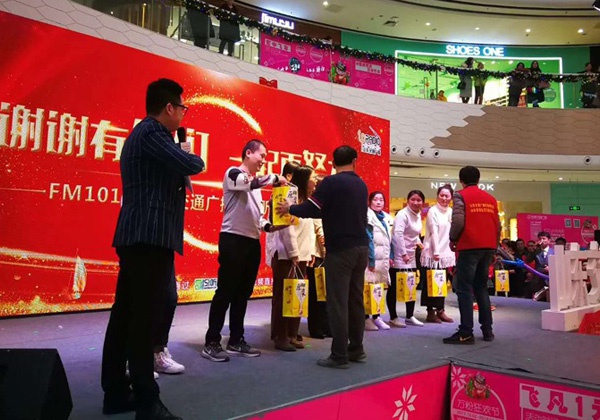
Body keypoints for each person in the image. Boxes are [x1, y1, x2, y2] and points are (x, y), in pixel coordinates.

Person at [101, 78, 205, 420]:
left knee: (126, 315)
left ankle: (117, 392)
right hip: (148, 236)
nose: (183, 114)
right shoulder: (152, 133)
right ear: (169, 107)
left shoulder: (148, 134)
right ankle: (148, 401)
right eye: (182, 107)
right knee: (143, 319)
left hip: (141, 236)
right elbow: (194, 165)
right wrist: (187, 154)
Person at [276, 145, 369, 369]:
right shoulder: (361, 184)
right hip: (361, 248)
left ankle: (339, 354)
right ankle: (356, 349)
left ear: (333, 163)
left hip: (340, 250)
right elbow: (323, 210)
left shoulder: (331, 183)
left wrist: (290, 208)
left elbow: (311, 208)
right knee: (355, 301)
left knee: (337, 302)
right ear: (355, 161)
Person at [202, 140, 285, 362]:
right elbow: (248, 184)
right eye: (262, 155)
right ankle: (211, 342)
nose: (264, 160)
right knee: (225, 292)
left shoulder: (255, 187)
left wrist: (271, 227)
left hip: (252, 242)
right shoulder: (233, 173)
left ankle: (236, 339)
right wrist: (275, 178)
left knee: (243, 294)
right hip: (233, 240)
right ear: (249, 153)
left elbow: (258, 218)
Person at [444, 166, 500, 345]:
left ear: (461, 180)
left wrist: (453, 238)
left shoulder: (460, 195)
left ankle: (466, 332)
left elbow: (458, 221)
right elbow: (497, 225)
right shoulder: (490, 199)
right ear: (479, 179)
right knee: (481, 288)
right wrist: (494, 247)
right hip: (487, 247)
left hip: (469, 246)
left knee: (464, 289)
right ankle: (487, 330)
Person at [269, 165, 317, 351]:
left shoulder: (307, 202)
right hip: (286, 255)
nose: (315, 181)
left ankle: (292, 333)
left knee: (298, 293)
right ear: (304, 180)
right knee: (283, 295)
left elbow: (309, 230)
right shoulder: (287, 198)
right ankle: (280, 336)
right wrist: (294, 253)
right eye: (313, 177)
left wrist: (309, 252)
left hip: (301, 256)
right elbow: (286, 229)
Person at [390, 190, 425, 327]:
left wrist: (418, 242)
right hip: (399, 255)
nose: (416, 202)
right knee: (395, 286)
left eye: (419, 200)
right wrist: (403, 253)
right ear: (408, 200)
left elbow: (413, 233)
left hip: (411, 254)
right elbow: (398, 235)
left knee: (411, 284)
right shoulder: (402, 214)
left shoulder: (418, 215)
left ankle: (410, 315)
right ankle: (393, 316)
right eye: (413, 199)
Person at [420, 184, 455, 323]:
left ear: (451, 197)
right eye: (442, 195)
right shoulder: (432, 211)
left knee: (442, 282)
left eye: (447, 196)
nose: (444, 198)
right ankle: (430, 311)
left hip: (446, 252)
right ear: (437, 196)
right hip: (432, 252)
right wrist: (435, 251)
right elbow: (433, 232)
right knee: (430, 282)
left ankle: (440, 310)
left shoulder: (451, 211)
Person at [364, 191, 394, 331]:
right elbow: (368, 238)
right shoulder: (367, 216)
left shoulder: (387, 218)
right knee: (368, 287)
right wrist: (371, 260)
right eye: (375, 199)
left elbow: (390, 239)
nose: (378, 202)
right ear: (370, 202)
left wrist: (391, 256)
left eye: (381, 200)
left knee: (379, 288)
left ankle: (376, 316)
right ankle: (366, 318)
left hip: (384, 258)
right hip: (371, 258)